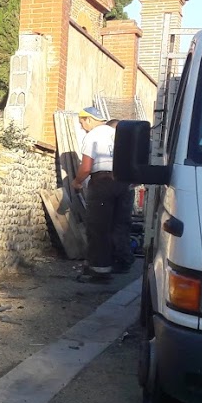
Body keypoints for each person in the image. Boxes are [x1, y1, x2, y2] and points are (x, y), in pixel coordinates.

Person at [71, 105, 129, 283]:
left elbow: (86, 167)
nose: (82, 127)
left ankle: (99, 272)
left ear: (89, 119)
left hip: (102, 182)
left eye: (82, 122)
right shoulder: (117, 133)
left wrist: (77, 181)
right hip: (122, 182)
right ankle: (120, 262)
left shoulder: (93, 135)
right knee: (117, 225)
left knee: (98, 228)